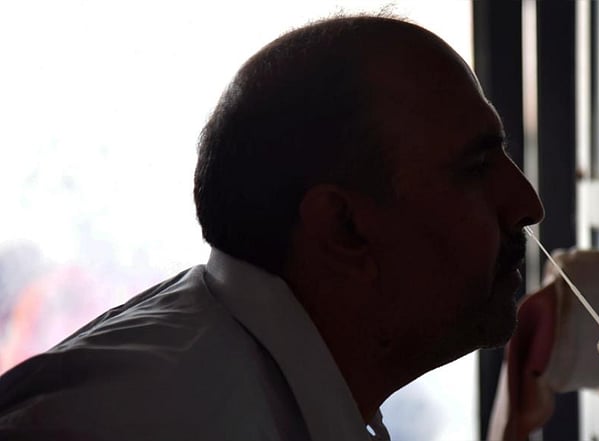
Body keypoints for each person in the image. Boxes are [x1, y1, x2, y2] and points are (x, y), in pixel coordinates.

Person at [0, 14, 544, 440]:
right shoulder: (153, 425)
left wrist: (515, 419)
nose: (528, 203)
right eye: (476, 169)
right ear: (344, 227)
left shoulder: (244, 366)